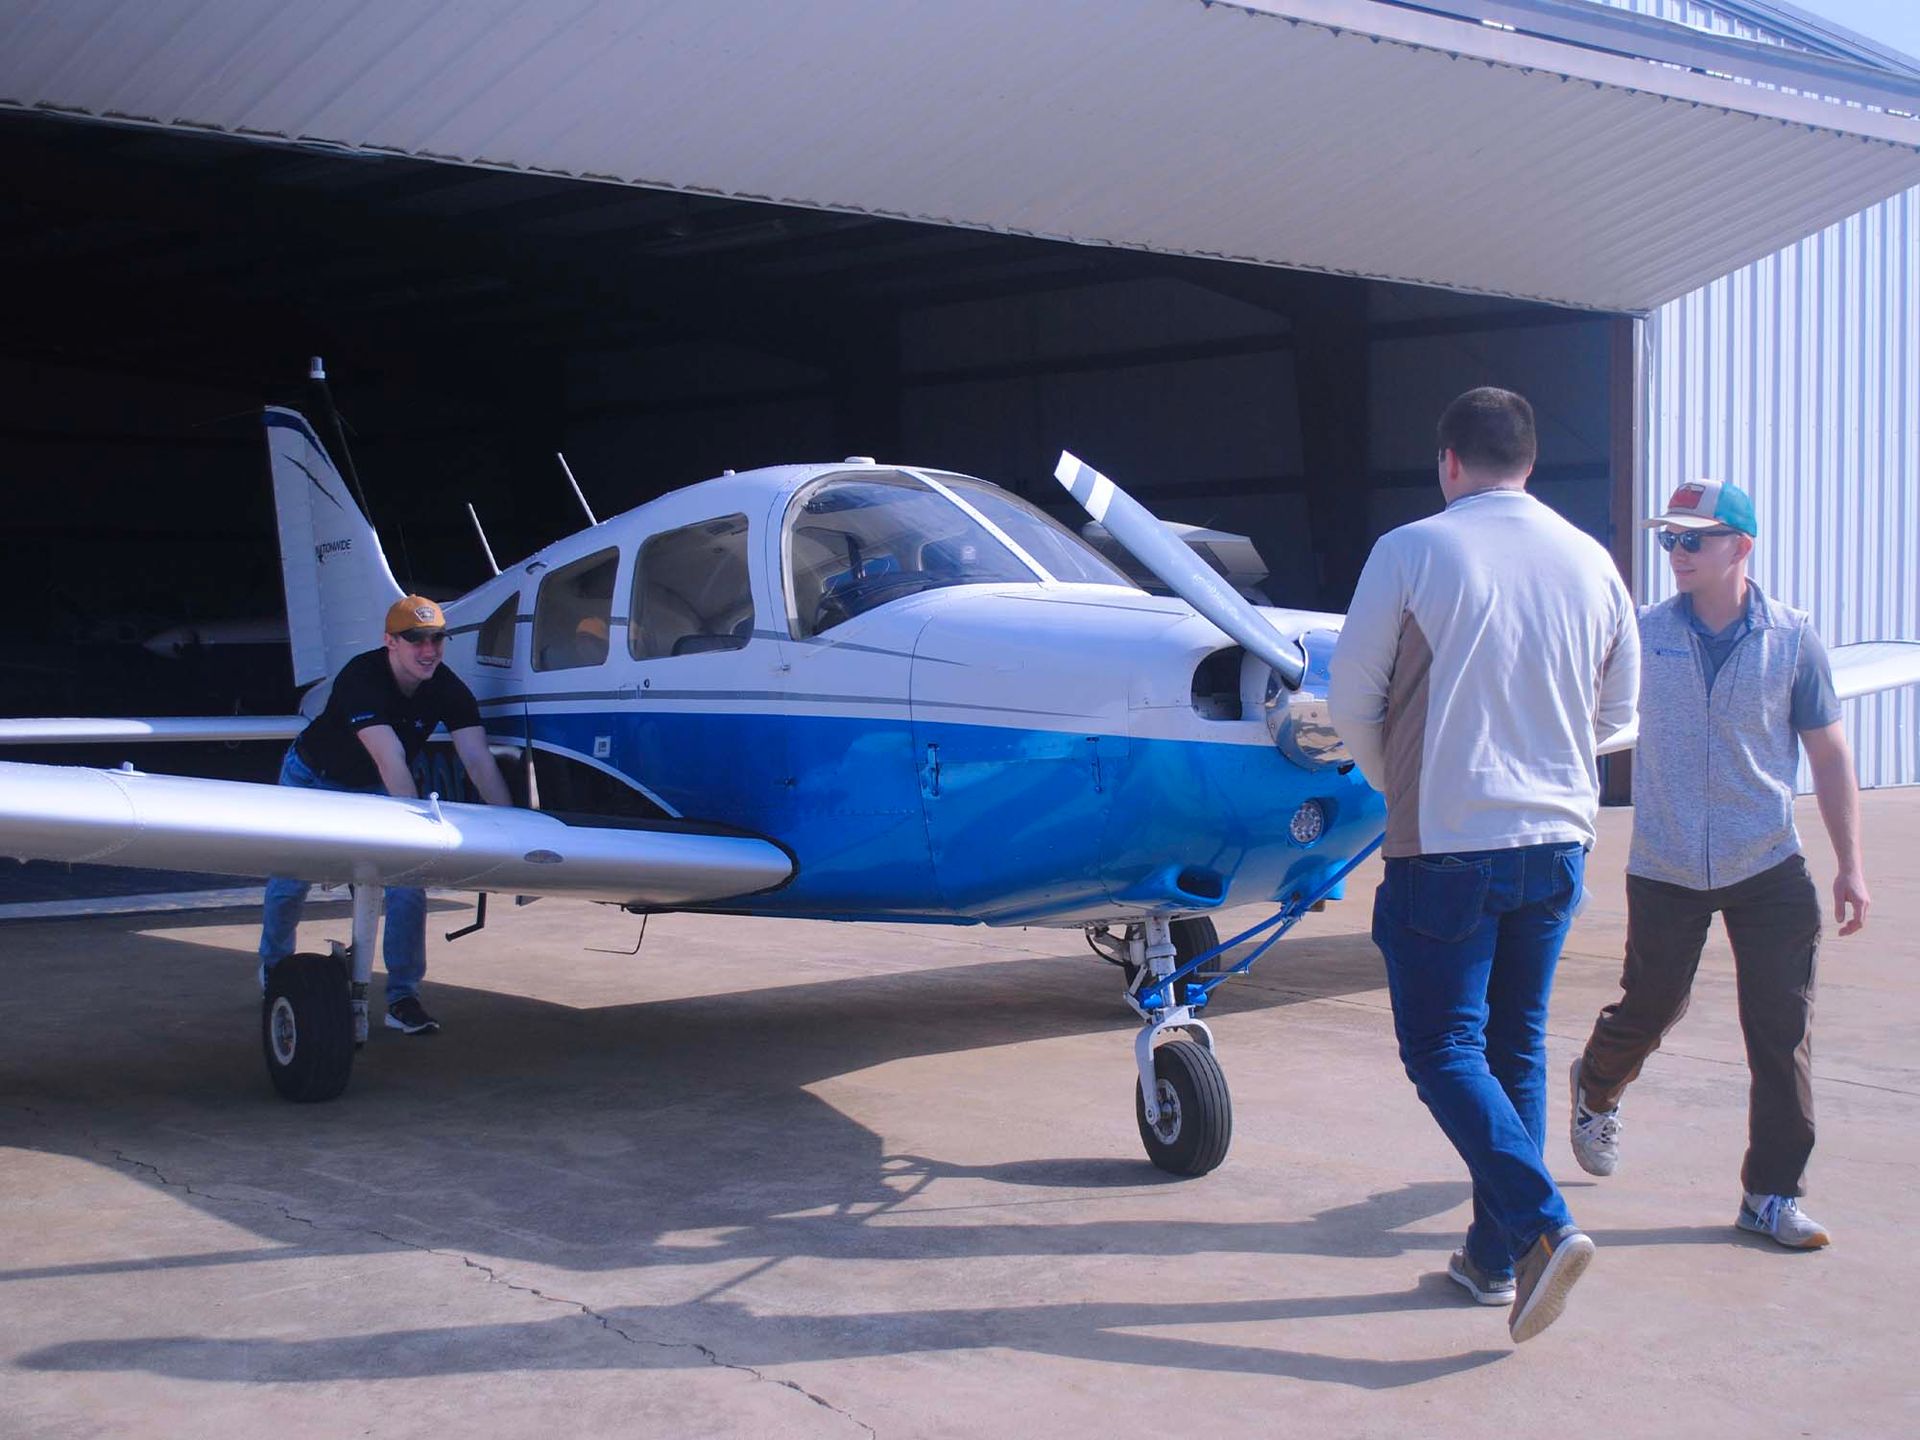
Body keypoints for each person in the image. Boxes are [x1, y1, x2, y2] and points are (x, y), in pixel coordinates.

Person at [1330, 387, 1639, 1344]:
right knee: (1513, 1048)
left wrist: (1401, 786)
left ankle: (1543, 1228)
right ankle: (1494, 1258)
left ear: (1449, 462)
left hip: (1450, 842)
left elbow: (1352, 702)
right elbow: (1620, 715)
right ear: (1530, 463)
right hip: (1556, 842)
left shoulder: (1414, 550)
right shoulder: (1593, 562)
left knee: (1442, 1051)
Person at [1569, 480, 1867, 1249]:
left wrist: (1850, 866)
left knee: (1781, 1029)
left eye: (1693, 538)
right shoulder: (1641, 634)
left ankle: (1770, 1194)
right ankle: (1597, 1086)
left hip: (1767, 862)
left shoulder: (1793, 639)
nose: (1676, 552)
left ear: (1741, 545)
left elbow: (1830, 757)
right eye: (1669, 538)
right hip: (1666, 862)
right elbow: (1576, 717)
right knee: (1652, 1007)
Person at [258, 595, 512, 1034]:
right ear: (389, 641)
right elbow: (390, 757)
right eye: (416, 640)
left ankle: (403, 998)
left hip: (374, 786)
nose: (428, 650)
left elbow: (478, 760)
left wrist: (512, 829)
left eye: (436, 639)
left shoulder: (448, 687)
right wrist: (416, 835)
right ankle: (275, 974)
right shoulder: (362, 676)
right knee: (289, 884)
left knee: (409, 887)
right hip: (313, 779)